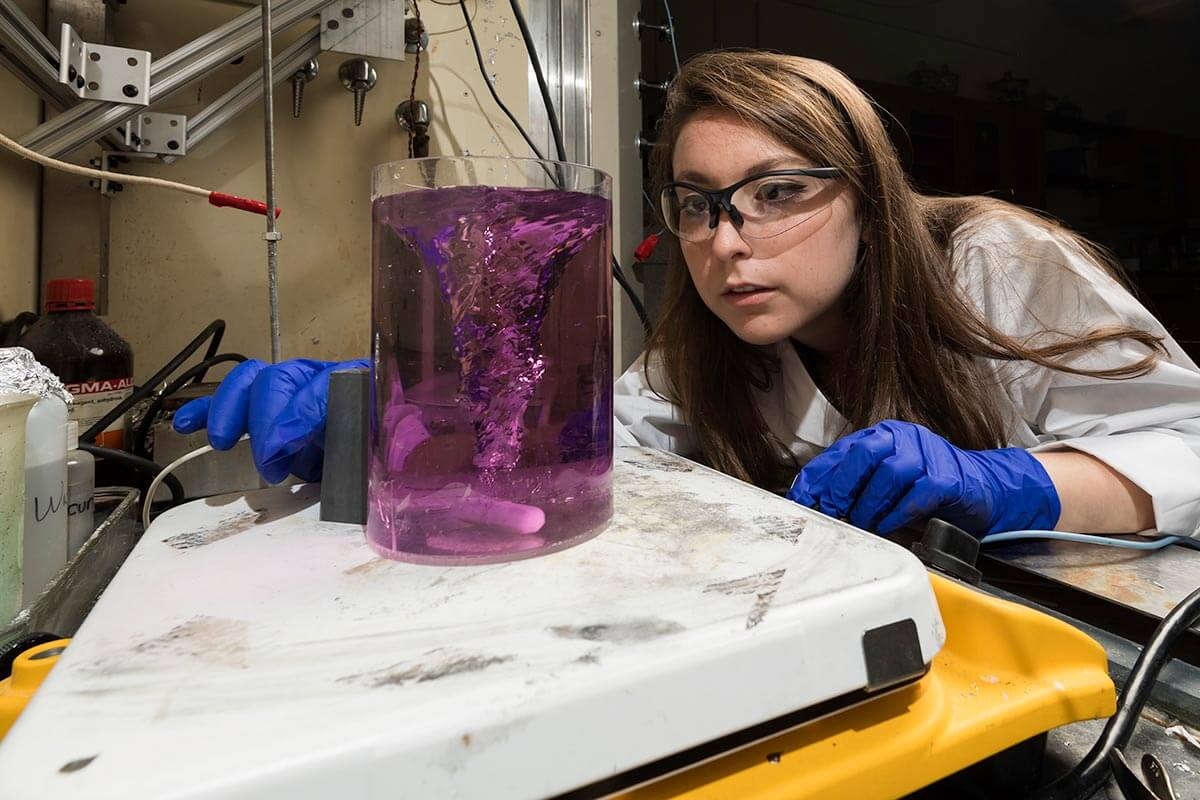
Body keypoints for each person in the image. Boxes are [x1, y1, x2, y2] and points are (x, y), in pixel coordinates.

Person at [175, 50, 1200, 539]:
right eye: (701, 204)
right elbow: (588, 436)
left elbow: (1187, 448)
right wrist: (380, 412)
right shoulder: (709, 342)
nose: (727, 241)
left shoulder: (992, 257)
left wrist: (1009, 484)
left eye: (779, 192)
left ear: (869, 196)